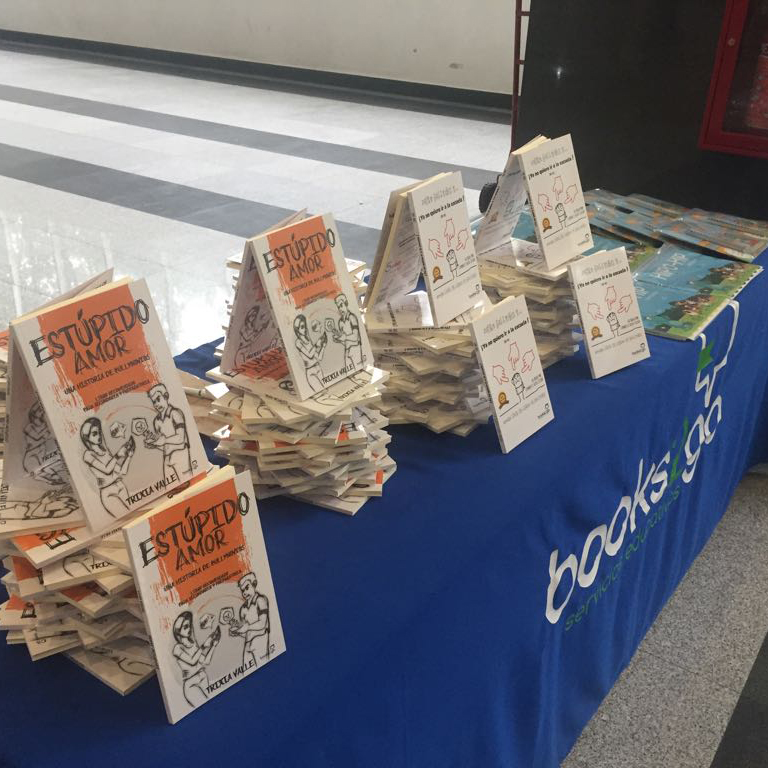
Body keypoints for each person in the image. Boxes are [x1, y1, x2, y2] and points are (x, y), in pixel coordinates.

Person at [80, 417, 134, 516]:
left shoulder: (105, 451)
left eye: (99, 432)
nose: (99, 435)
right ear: (87, 437)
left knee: (134, 512)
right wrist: (117, 455)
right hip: (108, 492)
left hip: (120, 486)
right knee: (125, 516)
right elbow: (107, 470)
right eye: (94, 434)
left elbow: (122, 471)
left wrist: (129, 456)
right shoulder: (88, 455)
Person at [172, 611, 220, 707]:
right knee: (205, 706)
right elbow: (192, 661)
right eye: (185, 627)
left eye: (189, 626)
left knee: (214, 703)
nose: (189, 629)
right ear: (178, 631)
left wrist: (213, 645)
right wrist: (203, 646)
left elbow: (205, 662)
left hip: (203, 677)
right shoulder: (177, 648)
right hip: (191, 683)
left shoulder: (193, 644)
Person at [145, 384, 192, 480]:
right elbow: (163, 445)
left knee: (188, 481)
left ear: (166, 396)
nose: (156, 404)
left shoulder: (175, 413)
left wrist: (163, 440)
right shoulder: (156, 421)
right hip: (166, 457)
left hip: (180, 453)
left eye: (158, 399)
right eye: (154, 402)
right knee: (171, 486)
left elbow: (180, 438)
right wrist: (154, 444)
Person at [229, 572, 270, 668]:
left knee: (264, 666)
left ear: (254, 584)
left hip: (260, 639)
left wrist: (246, 628)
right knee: (246, 670)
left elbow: (262, 623)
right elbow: (245, 632)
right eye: (242, 590)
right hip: (247, 643)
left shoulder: (261, 600)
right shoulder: (243, 609)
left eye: (247, 588)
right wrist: (238, 631)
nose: (244, 593)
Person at [23, 400, 66, 486]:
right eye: (40, 412)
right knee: (43, 468)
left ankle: (53, 479)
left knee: (49, 465)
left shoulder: (45, 426)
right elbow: (39, 438)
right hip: (34, 458)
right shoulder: (30, 428)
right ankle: (53, 479)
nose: (42, 414)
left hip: (41, 457)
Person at [293, 314, 326, 392]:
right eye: (302, 327)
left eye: (304, 326)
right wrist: (317, 344)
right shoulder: (298, 342)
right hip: (310, 371)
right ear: (297, 329)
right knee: (321, 392)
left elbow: (318, 358)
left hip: (318, 368)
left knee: (326, 389)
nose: (304, 329)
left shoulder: (308, 339)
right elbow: (310, 355)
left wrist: (323, 346)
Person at [331, 294, 362, 369]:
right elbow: (345, 341)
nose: (340, 309)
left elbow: (355, 337)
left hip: (355, 349)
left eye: (341, 305)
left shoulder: (352, 317)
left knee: (360, 370)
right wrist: (339, 340)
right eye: (338, 307)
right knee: (349, 373)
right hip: (347, 350)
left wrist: (344, 337)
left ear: (346, 304)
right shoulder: (340, 322)